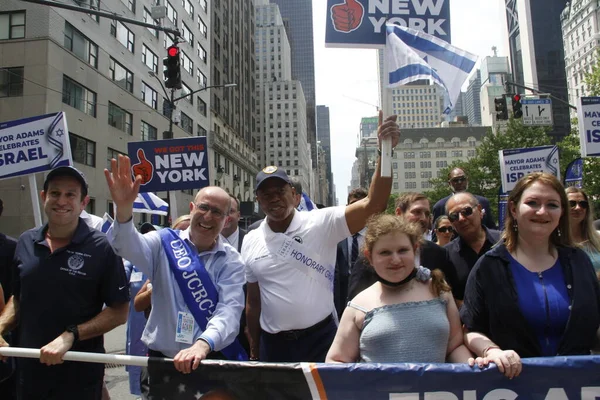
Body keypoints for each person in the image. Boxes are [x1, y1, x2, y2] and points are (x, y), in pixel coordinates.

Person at [243, 111, 400, 362]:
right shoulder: (250, 240)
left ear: (293, 193)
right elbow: (253, 301)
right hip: (272, 347)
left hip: (321, 341)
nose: (274, 198)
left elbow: (375, 205)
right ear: (258, 200)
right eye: (266, 194)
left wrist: (386, 151)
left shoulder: (322, 222)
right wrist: (254, 344)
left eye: (279, 190)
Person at [105, 156, 246, 396]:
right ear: (191, 209)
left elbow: (229, 310)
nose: (208, 216)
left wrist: (203, 344)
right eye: (203, 207)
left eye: (217, 212)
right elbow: (124, 245)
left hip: (208, 361)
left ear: (226, 220)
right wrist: (124, 209)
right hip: (163, 364)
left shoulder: (232, 260)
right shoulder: (162, 242)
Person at [0, 166, 129, 399]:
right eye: (55, 193)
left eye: (70, 194)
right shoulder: (26, 241)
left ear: (83, 202)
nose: (62, 201)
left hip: (79, 375)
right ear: (43, 197)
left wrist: (70, 335)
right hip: (28, 373)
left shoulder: (101, 247)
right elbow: (18, 299)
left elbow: (119, 311)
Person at [461, 172, 600, 379]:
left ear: (562, 212)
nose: (542, 211)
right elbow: (471, 330)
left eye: (552, 205)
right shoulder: (490, 266)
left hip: (576, 384)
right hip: (514, 385)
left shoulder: (578, 261)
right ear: (514, 209)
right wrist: (491, 351)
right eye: (532, 203)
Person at [326, 215, 471, 363]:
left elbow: (455, 346)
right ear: (369, 257)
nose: (395, 260)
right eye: (385, 252)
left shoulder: (439, 290)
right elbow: (337, 361)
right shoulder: (358, 306)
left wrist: (473, 371)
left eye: (402, 250)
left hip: (437, 386)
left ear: (414, 250)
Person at [348, 192, 459, 301]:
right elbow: (356, 300)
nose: (423, 218)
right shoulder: (372, 255)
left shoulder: (438, 253)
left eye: (426, 214)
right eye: (417, 212)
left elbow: (449, 294)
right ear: (399, 213)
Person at [444, 192, 501, 303]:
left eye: (466, 211)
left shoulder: (505, 242)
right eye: (454, 216)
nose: (461, 219)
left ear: (479, 210)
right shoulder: (446, 255)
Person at [334, 188, 368, 318]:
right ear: (348, 207)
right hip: (343, 296)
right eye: (354, 204)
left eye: (362, 203)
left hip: (367, 291)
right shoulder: (337, 235)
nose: (358, 208)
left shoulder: (375, 236)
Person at [432, 168, 496, 234]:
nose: (460, 182)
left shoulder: (483, 202)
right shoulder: (440, 206)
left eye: (462, 179)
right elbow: (435, 238)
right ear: (449, 183)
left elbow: (491, 229)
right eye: (455, 180)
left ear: (467, 180)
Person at [566, 187, 600, 275]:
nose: (578, 208)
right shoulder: (553, 243)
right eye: (571, 203)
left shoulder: (598, 238)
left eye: (583, 204)